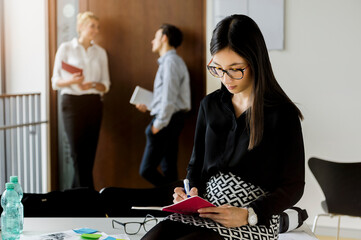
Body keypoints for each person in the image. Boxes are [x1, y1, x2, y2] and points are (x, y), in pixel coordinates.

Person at [142, 14, 305, 240]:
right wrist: (190, 193)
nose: (226, 78)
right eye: (218, 68)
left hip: (252, 218)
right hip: (205, 210)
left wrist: (249, 214)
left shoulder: (282, 114)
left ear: (255, 62)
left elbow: (294, 186)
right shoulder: (209, 105)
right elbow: (195, 166)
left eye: (235, 68)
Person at [52, 11, 110, 189]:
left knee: (89, 155)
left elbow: (106, 84)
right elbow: (55, 82)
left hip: (93, 103)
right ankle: (90, 199)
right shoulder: (66, 48)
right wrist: (73, 81)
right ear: (81, 27)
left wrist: (92, 84)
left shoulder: (100, 52)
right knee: (77, 154)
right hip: (71, 103)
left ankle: (75, 197)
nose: (96, 30)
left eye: (97, 27)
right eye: (92, 26)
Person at [136, 24, 191, 187]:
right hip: (171, 118)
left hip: (167, 121)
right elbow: (167, 97)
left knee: (146, 170)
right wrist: (150, 107)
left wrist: (157, 125)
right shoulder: (170, 62)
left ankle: (169, 196)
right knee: (169, 168)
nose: (152, 41)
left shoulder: (171, 62)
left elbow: (169, 98)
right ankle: (173, 203)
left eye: (156, 36)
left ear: (164, 38)